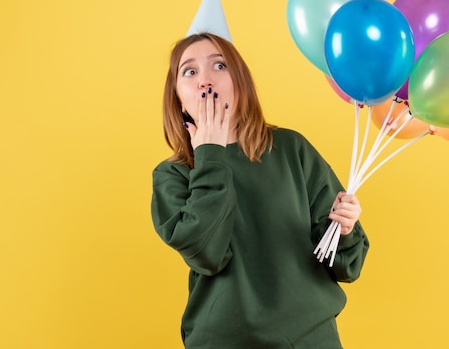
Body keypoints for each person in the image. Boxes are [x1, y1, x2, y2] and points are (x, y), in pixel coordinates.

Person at [151, 32, 369, 348]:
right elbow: (207, 253)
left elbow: (348, 266)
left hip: (309, 339)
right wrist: (210, 154)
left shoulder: (291, 149)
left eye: (219, 65)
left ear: (240, 81)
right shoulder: (172, 175)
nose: (205, 80)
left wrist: (344, 228)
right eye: (189, 71)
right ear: (177, 97)